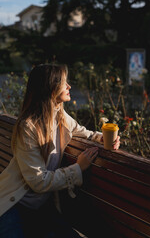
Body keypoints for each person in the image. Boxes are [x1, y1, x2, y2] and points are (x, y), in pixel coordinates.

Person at [0, 63, 120, 238]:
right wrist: (78, 168)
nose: (69, 87)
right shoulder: (28, 127)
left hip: (40, 208)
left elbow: (85, 133)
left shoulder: (60, 116)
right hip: (14, 206)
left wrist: (103, 138)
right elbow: (38, 181)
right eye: (65, 83)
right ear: (51, 87)